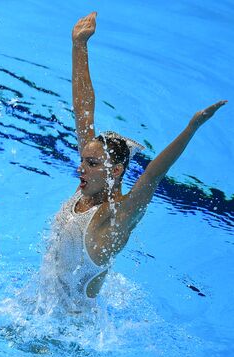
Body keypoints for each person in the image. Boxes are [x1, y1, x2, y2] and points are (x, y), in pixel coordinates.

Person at [38, 12, 226, 314]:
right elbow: (83, 112)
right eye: (84, 161)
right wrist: (79, 46)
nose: (79, 168)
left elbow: (153, 176)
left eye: (91, 163)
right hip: (38, 305)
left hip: (75, 336)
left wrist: (190, 129)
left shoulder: (116, 219)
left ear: (115, 171)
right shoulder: (85, 190)